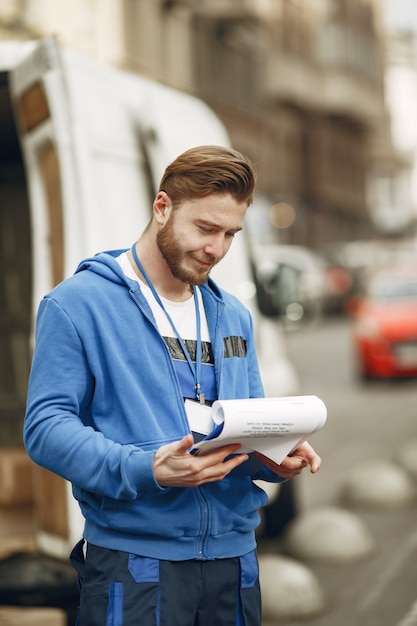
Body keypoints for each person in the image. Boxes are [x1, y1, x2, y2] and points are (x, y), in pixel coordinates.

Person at [24, 145, 321, 626]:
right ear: (162, 208)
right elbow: (45, 428)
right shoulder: (77, 304)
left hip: (235, 561)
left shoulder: (233, 315)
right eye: (205, 229)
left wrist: (273, 456)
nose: (217, 249)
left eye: (231, 234)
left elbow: (242, 423)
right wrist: (146, 468)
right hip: (135, 564)